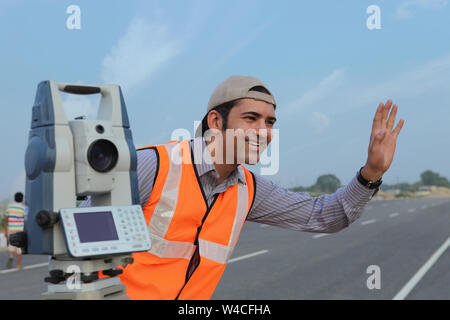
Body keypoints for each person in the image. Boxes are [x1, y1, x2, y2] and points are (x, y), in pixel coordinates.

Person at [95, 75, 404, 299]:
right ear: (216, 122)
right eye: (251, 118)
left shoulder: (248, 189)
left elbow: (325, 215)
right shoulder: (154, 165)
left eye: (269, 122)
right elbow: (75, 242)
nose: (263, 132)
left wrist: (371, 172)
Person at [4, 192, 26, 269]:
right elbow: (25, 220)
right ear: (22, 198)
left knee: (11, 244)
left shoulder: (10, 207)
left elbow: (6, 220)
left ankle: (11, 256)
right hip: (20, 229)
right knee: (19, 247)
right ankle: (18, 264)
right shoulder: (24, 208)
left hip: (11, 228)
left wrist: (5, 231)